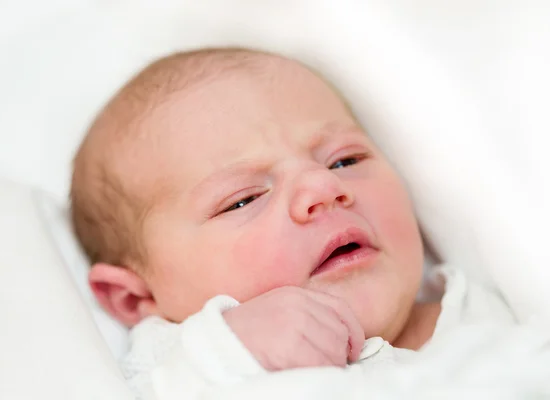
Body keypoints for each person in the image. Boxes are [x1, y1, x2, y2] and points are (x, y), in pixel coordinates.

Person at [70, 47, 513, 399]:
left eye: (345, 160)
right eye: (243, 200)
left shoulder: (487, 313)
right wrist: (231, 350)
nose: (323, 187)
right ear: (134, 299)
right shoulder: (185, 364)